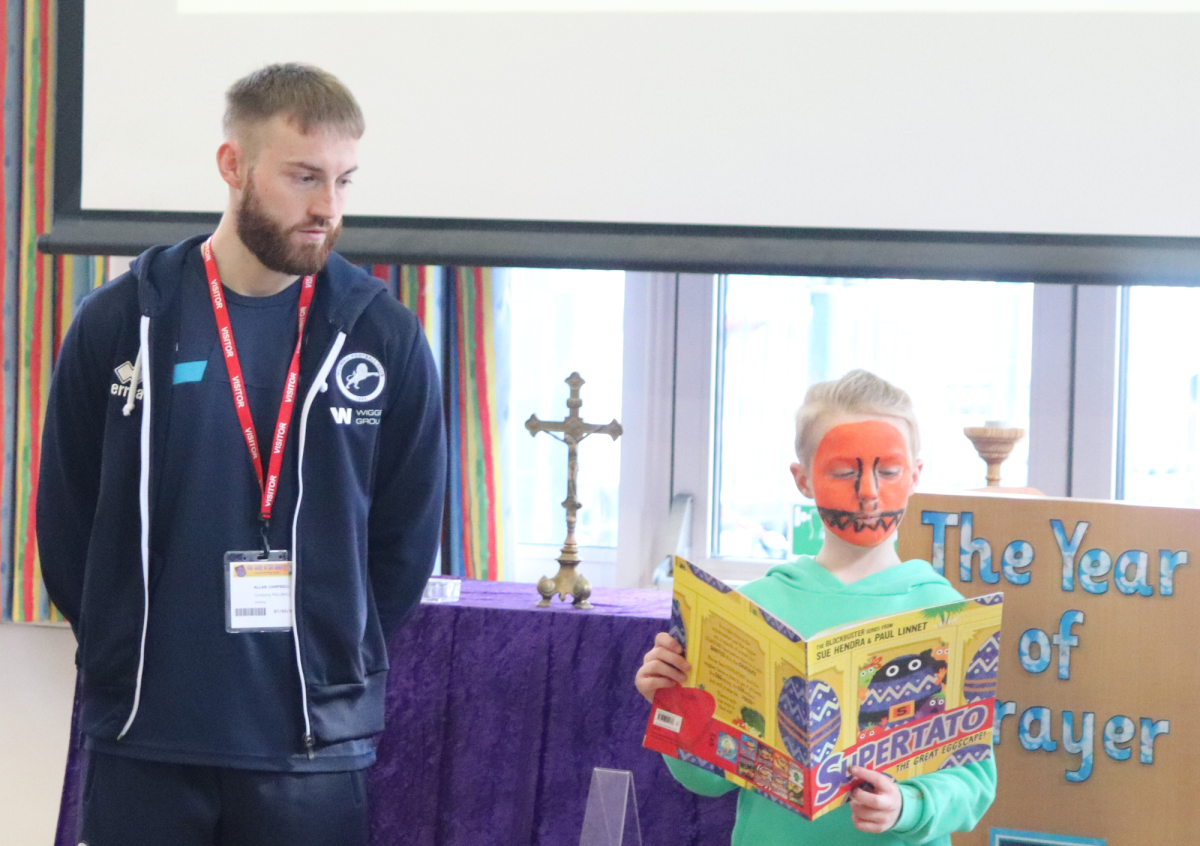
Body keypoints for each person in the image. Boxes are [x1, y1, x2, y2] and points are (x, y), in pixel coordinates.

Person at [37, 64, 446, 846]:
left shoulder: (381, 335)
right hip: (145, 739)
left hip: (311, 751)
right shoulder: (123, 322)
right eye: (303, 177)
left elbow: (404, 541)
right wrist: (124, 645)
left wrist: (334, 653)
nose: (327, 207)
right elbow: (67, 523)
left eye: (342, 181)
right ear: (233, 167)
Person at [635, 369, 995, 845]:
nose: (868, 492)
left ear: (915, 477)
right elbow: (706, 780)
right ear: (803, 480)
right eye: (844, 472)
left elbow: (973, 781)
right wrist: (674, 701)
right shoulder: (753, 608)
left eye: (887, 471)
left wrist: (909, 805)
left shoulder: (944, 612)